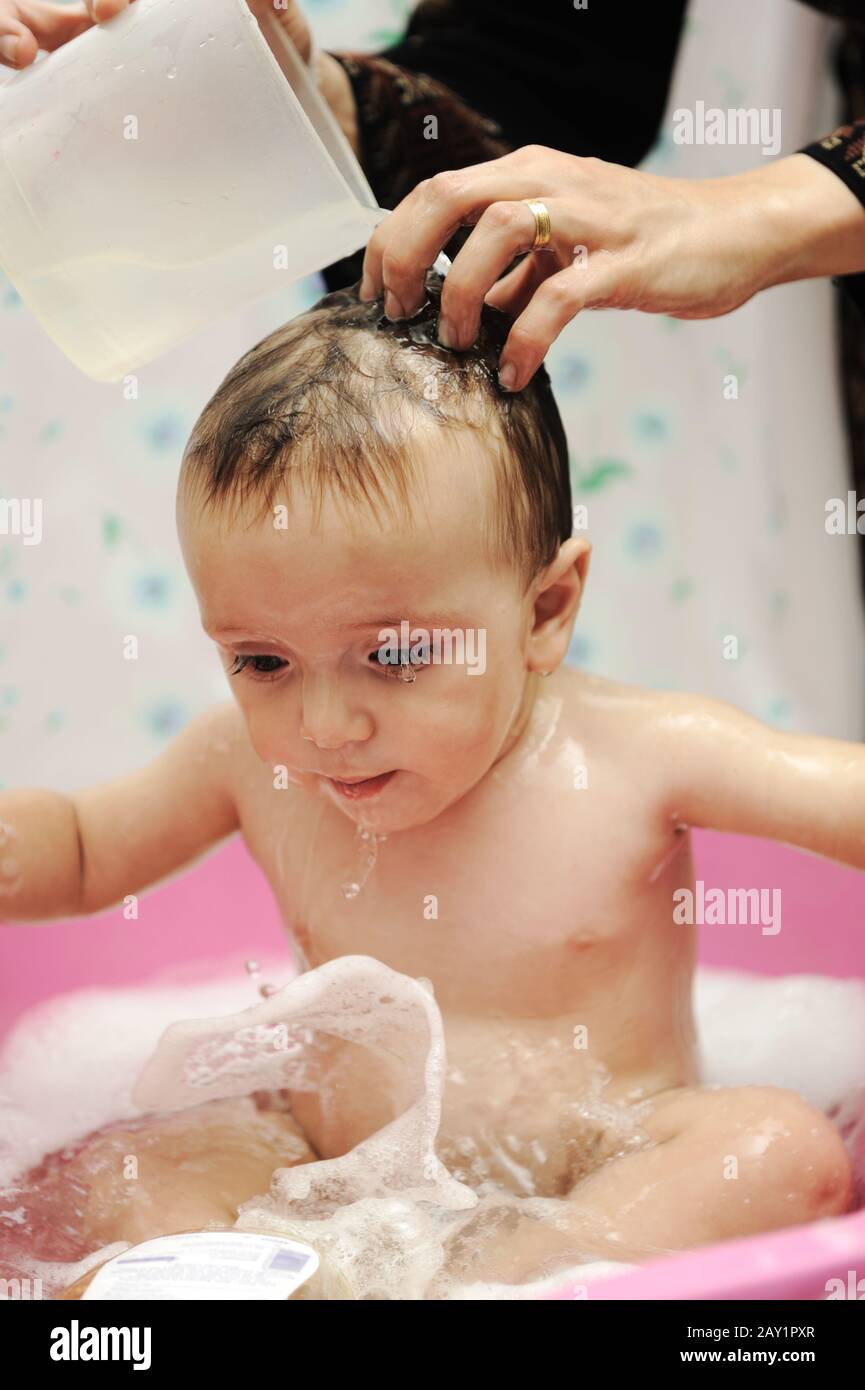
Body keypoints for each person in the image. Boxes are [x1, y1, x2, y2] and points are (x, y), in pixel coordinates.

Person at [0, 276, 857, 1290]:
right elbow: (92, 849)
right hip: (325, 1164)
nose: (324, 726)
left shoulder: (639, 756)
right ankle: (273, 1276)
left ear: (545, 608)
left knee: (777, 1149)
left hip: (608, 1164)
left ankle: (511, 1277)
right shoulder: (247, 761)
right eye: (262, 662)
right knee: (131, 1170)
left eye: (395, 654)